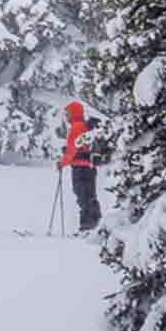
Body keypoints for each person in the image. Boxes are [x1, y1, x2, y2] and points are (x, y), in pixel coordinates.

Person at [60, 99, 100, 232]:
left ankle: (87, 225)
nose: (66, 116)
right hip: (90, 167)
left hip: (79, 168)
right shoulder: (85, 127)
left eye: (68, 113)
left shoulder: (76, 128)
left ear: (74, 113)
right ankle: (95, 223)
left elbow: (72, 150)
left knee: (82, 195)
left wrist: (62, 163)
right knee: (90, 195)